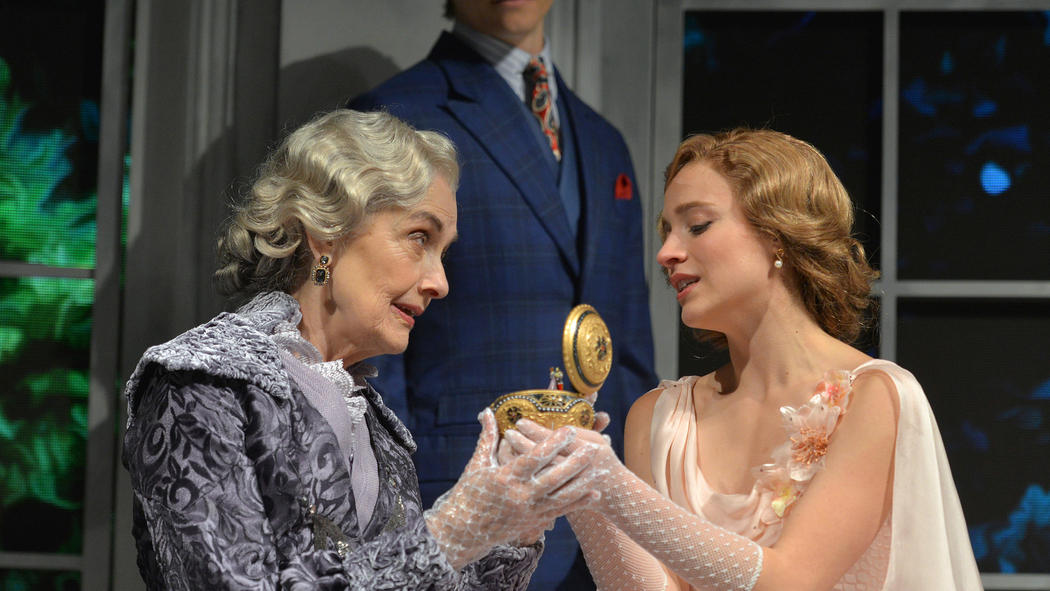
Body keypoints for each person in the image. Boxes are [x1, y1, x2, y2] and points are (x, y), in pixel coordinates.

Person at [120, 109, 606, 590]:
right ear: (326, 234)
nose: (440, 282)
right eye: (419, 238)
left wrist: (517, 519)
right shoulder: (202, 384)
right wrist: (451, 530)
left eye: (443, 252)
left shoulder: (378, 430)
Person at [503, 129, 983, 589]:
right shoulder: (659, 418)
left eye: (697, 225)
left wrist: (615, 491)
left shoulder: (873, 398)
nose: (666, 253)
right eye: (667, 232)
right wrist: (583, 493)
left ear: (778, 233)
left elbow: (790, 582)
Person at [348, 1, 658, 586]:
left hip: (604, 509)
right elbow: (366, 340)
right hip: (460, 486)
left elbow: (629, 340)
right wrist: (398, 500)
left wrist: (640, 492)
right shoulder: (395, 116)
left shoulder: (603, 140)